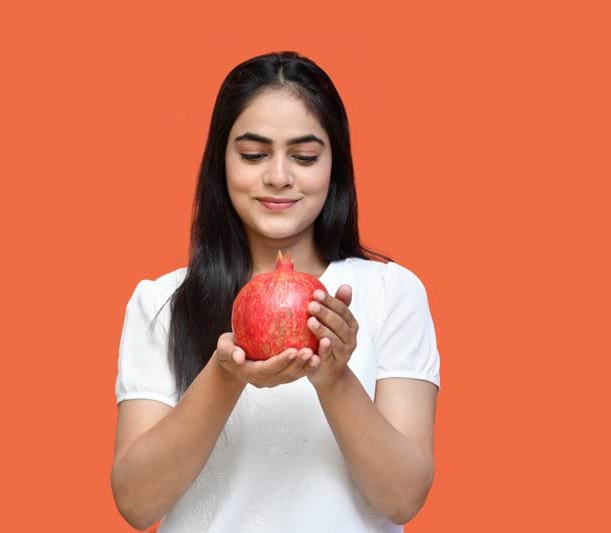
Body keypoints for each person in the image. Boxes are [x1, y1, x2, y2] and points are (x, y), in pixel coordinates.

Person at [110, 51, 441, 532]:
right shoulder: (162, 302)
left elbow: (404, 499)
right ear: (220, 162)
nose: (279, 176)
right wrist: (224, 377)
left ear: (336, 166)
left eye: (304, 157)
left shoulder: (391, 294)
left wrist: (335, 378)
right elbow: (137, 504)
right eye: (253, 154)